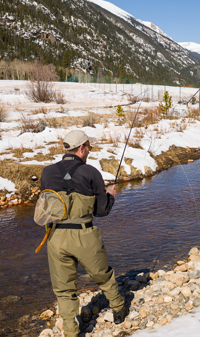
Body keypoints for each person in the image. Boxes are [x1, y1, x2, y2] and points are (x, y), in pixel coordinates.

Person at [40, 129, 127, 336]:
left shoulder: (47, 172)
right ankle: (118, 309)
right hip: (84, 234)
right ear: (81, 148)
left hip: (55, 237)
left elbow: (45, 205)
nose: (89, 151)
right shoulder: (90, 172)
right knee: (102, 275)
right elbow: (101, 210)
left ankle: (70, 330)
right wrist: (111, 195)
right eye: (89, 147)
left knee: (63, 288)